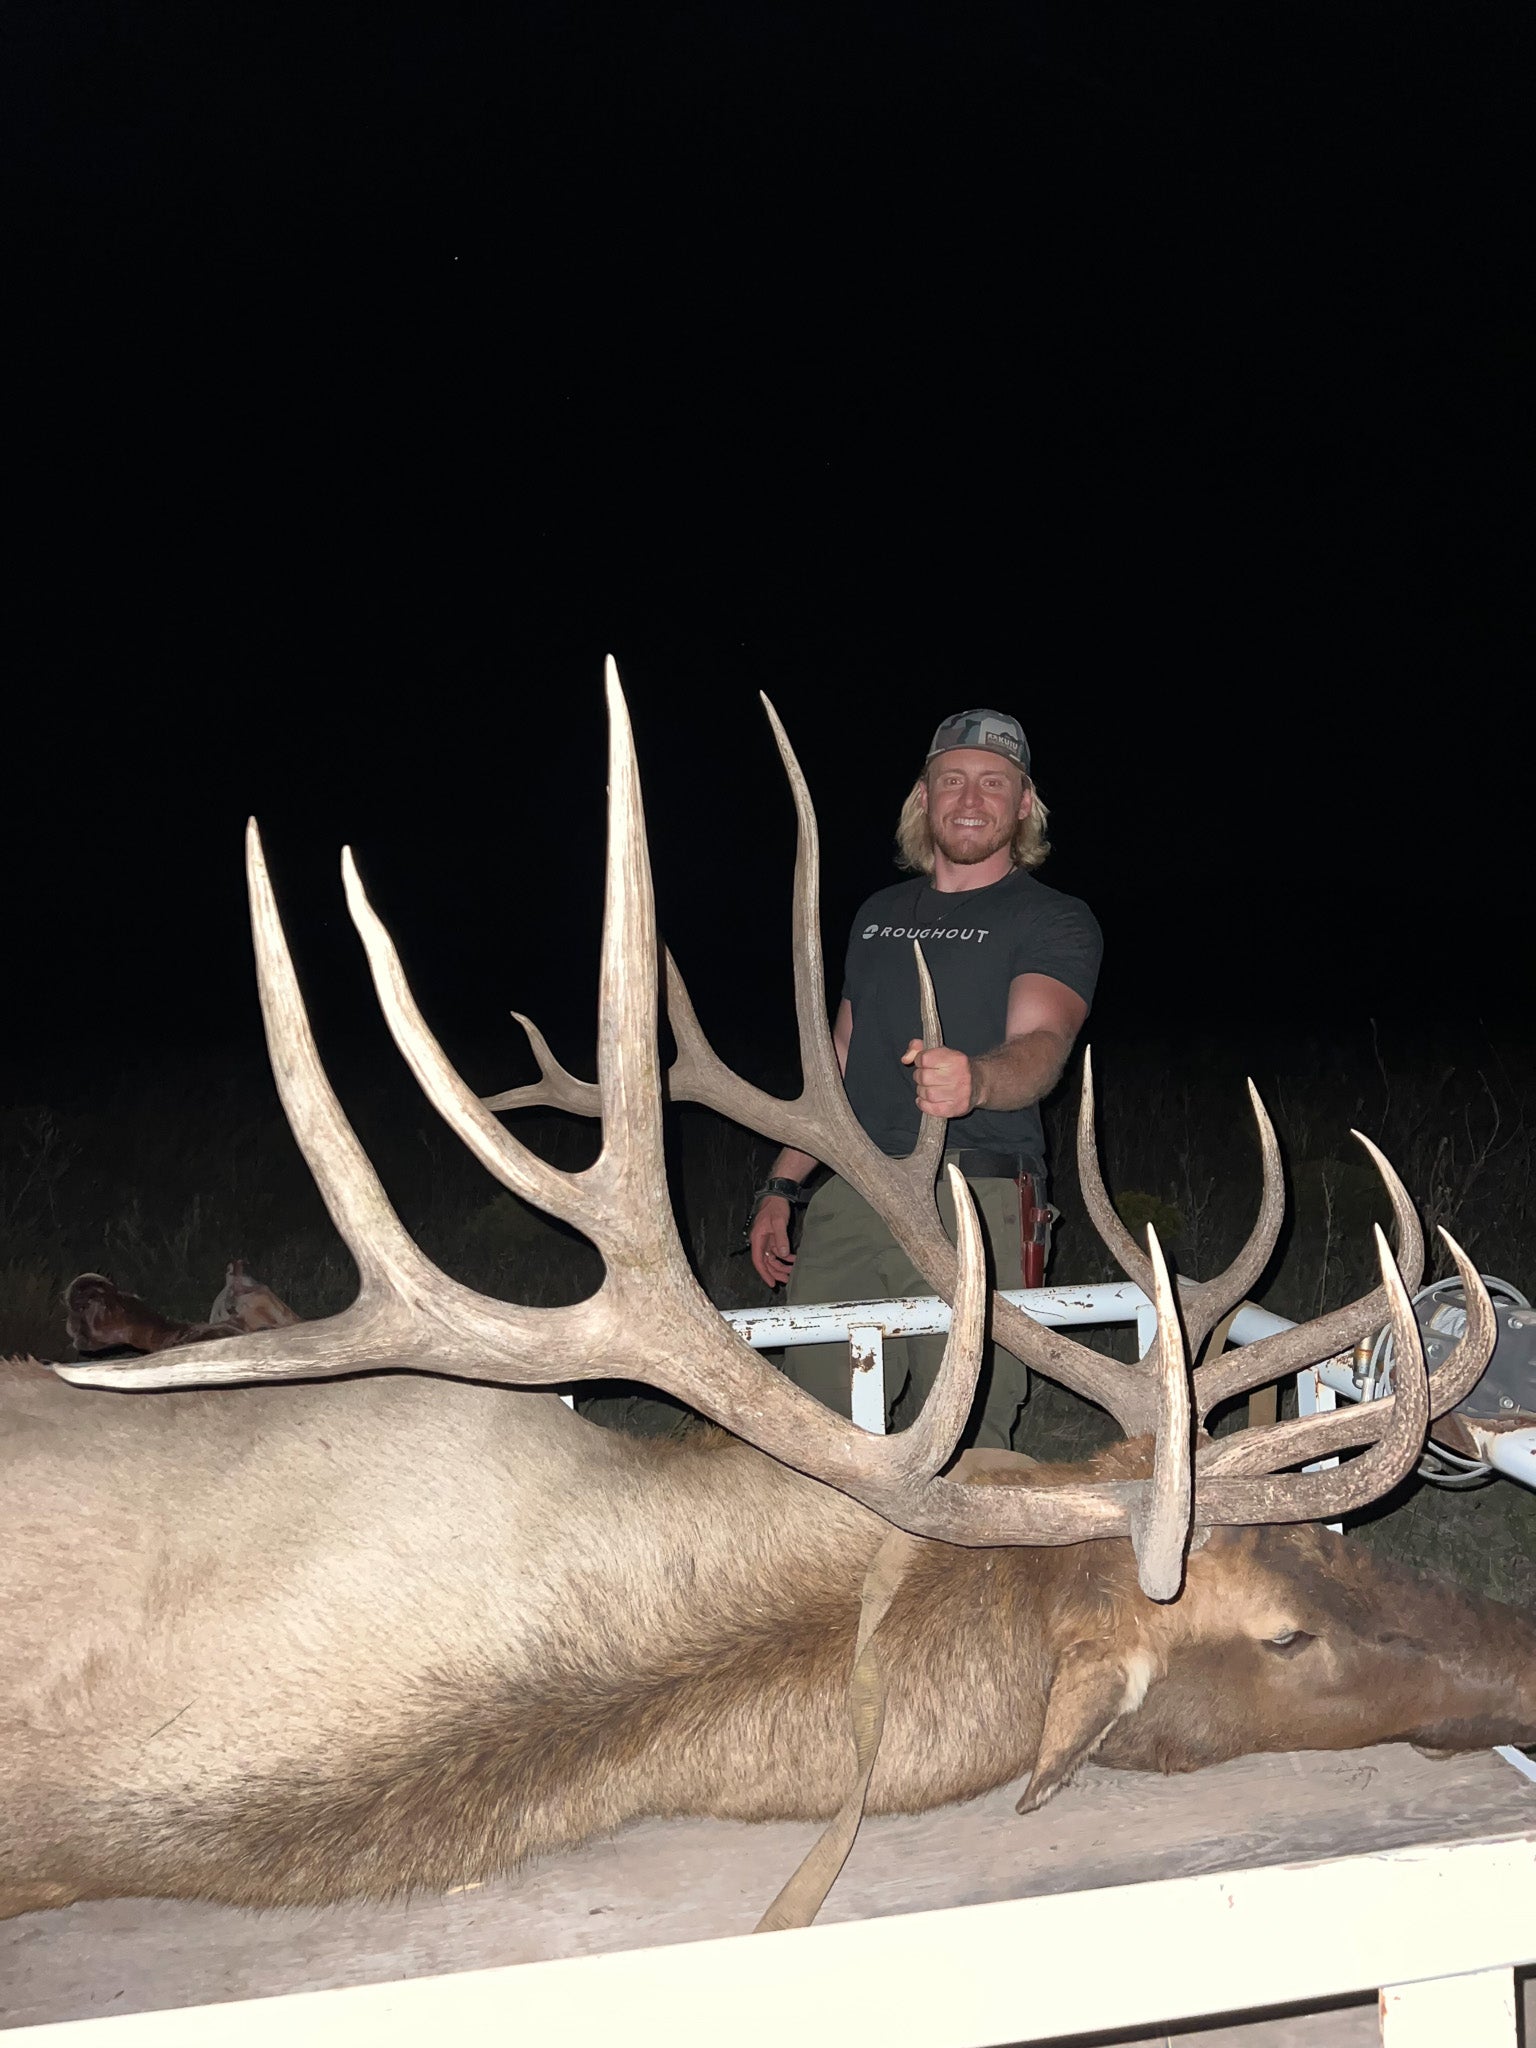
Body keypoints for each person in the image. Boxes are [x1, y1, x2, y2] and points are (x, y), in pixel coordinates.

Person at [748, 708, 1101, 1451]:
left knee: (963, 1432)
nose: (970, 798)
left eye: (994, 783)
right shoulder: (877, 916)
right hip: (853, 1192)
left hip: (974, 1193)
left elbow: (1043, 1042)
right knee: (817, 1429)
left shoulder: (1054, 919)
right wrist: (784, 1184)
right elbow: (838, 1064)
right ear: (924, 796)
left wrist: (978, 1079)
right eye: (952, 780)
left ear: (1024, 804)